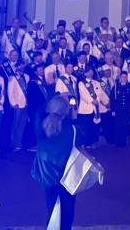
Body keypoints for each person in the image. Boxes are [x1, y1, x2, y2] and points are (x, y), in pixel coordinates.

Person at [31, 95, 78, 230]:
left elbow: (39, 110)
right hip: (66, 177)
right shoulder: (70, 130)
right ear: (65, 112)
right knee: (67, 211)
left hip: (47, 176)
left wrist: (54, 97)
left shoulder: (40, 126)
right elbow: (87, 134)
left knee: (51, 209)